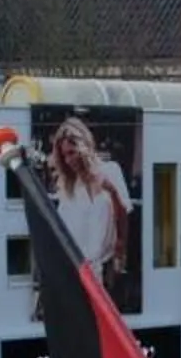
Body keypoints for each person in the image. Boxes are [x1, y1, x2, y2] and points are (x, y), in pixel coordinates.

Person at [43, 114, 133, 285]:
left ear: (83, 147)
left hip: (101, 267)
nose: (69, 160)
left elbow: (123, 215)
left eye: (72, 153)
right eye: (64, 156)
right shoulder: (68, 185)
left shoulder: (110, 171)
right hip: (73, 268)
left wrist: (111, 191)